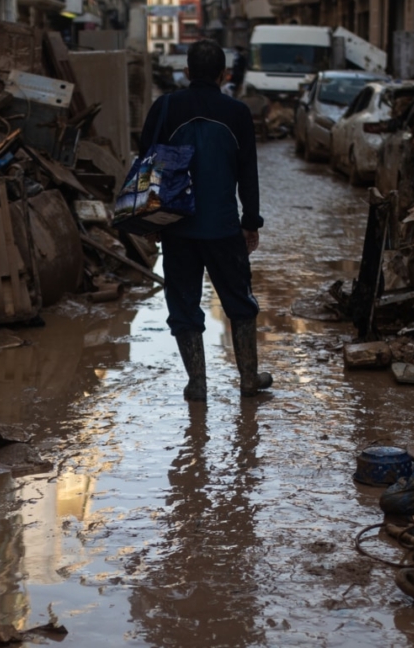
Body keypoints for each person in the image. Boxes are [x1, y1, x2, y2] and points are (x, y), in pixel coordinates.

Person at [138, 39, 271, 402]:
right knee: (239, 301)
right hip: (224, 227)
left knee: (183, 303)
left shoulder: (165, 107)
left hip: (177, 226)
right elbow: (248, 172)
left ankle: (197, 383)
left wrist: (152, 222)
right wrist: (251, 221)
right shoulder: (237, 112)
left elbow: (148, 168)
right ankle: (248, 378)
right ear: (224, 74)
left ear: (186, 72)